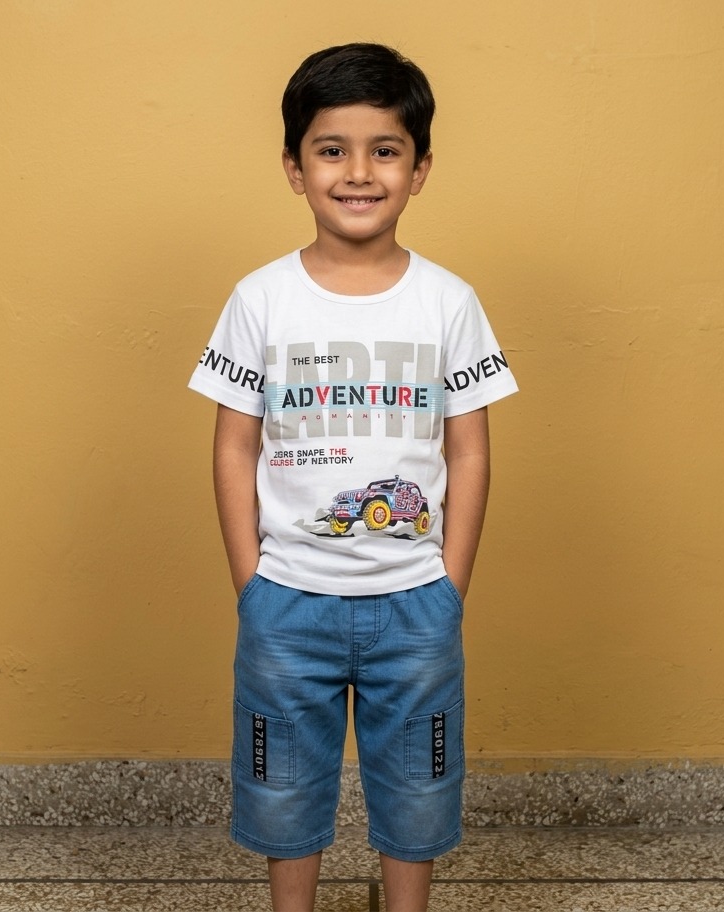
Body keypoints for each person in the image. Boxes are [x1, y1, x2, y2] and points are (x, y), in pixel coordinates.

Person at [188, 42, 518, 912]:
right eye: (332, 150)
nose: (359, 172)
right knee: (280, 788)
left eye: (385, 150)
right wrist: (251, 582)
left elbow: (469, 451)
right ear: (294, 168)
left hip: (414, 601)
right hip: (286, 600)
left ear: (420, 169)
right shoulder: (260, 298)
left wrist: (449, 584)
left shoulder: (448, 302)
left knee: (418, 786)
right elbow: (233, 446)